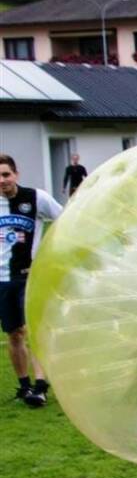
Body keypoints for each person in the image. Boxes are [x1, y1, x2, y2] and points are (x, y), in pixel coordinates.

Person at [0, 155, 63, 409]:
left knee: (35, 331)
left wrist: (51, 255)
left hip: (29, 276)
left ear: (16, 174)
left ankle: (40, 387)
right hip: (2, 279)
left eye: (6, 174)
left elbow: (65, 220)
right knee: (14, 334)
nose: (2, 180)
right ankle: (24, 385)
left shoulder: (36, 198)